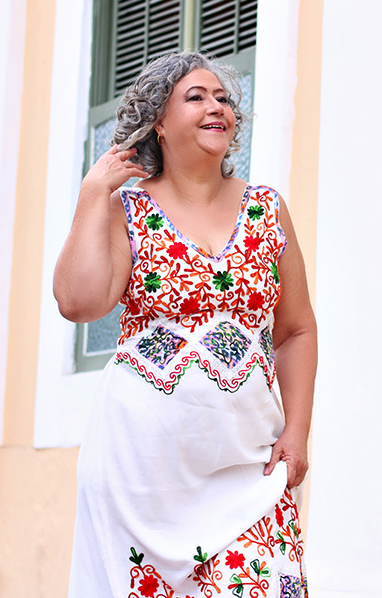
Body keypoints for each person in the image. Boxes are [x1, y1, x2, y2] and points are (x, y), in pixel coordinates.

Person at [54, 52, 316, 598]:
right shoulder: (125, 208)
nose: (216, 106)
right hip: (141, 481)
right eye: (195, 97)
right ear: (159, 123)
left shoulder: (268, 209)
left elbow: (295, 331)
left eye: (222, 98)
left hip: (248, 474)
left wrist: (297, 432)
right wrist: (91, 195)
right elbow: (78, 303)